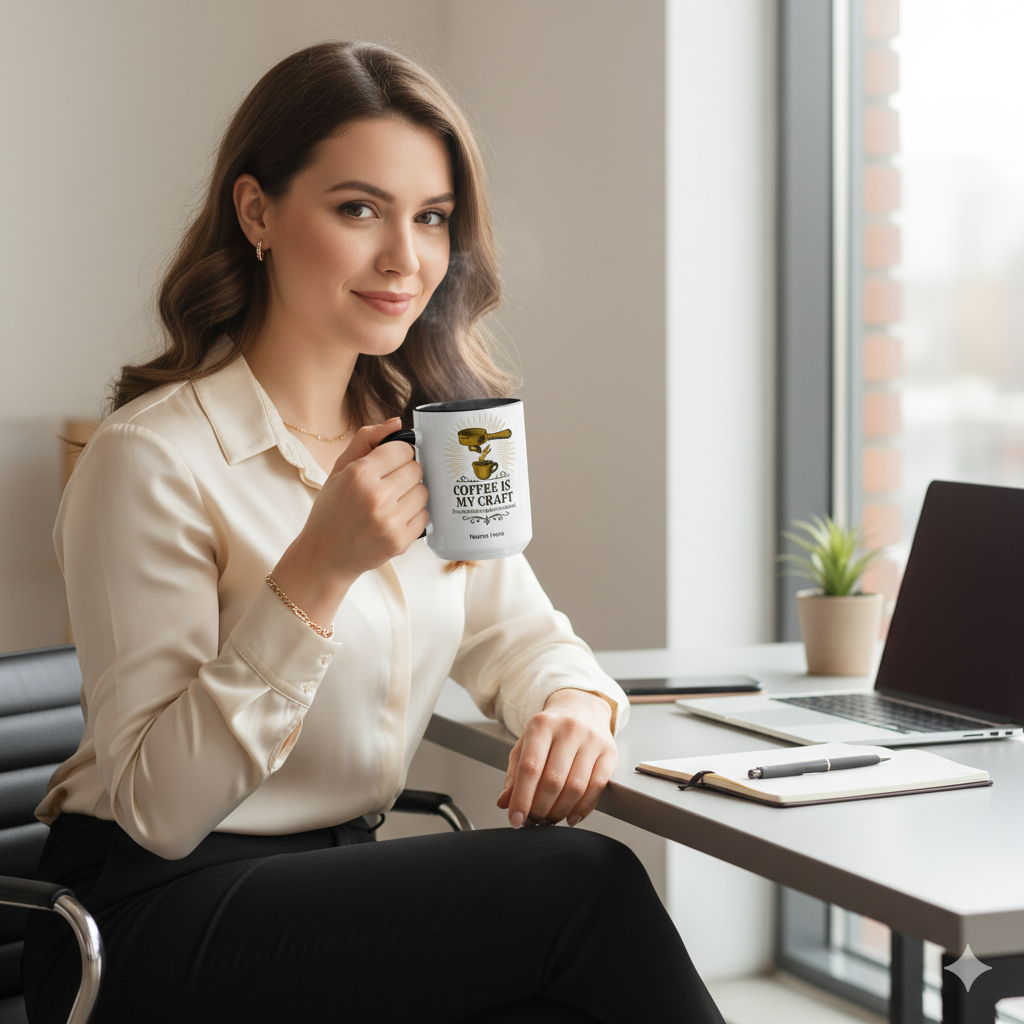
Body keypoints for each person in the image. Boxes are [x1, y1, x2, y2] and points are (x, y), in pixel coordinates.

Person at [23, 41, 725, 1024]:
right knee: (581, 884)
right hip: (144, 920)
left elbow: (516, 633)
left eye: (431, 218)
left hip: (335, 895)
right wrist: (314, 572)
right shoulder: (151, 459)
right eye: (359, 209)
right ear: (257, 211)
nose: (406, 258)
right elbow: (160, 811)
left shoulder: (432, 435)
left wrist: (574, 703)